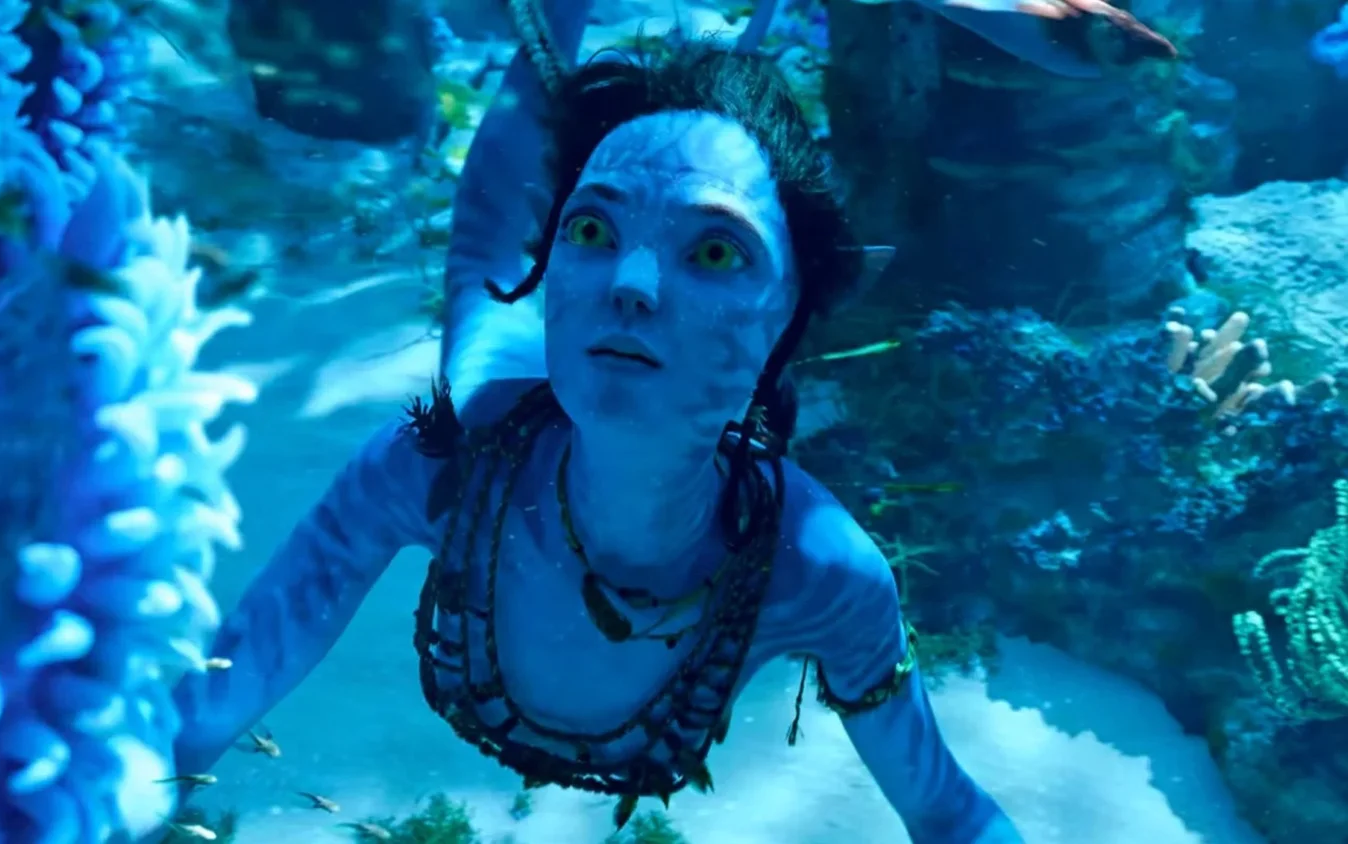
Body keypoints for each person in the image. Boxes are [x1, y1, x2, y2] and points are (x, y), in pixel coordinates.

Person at [171, 3, 1024, 841]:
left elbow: (949, 812)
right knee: (489, 253)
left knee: (490, 246)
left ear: (788, 317)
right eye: (590, 228)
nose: (631, 285)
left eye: (714, 250)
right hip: (498, 377)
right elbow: (201, 711)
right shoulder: (438, 461)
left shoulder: (820, 572)